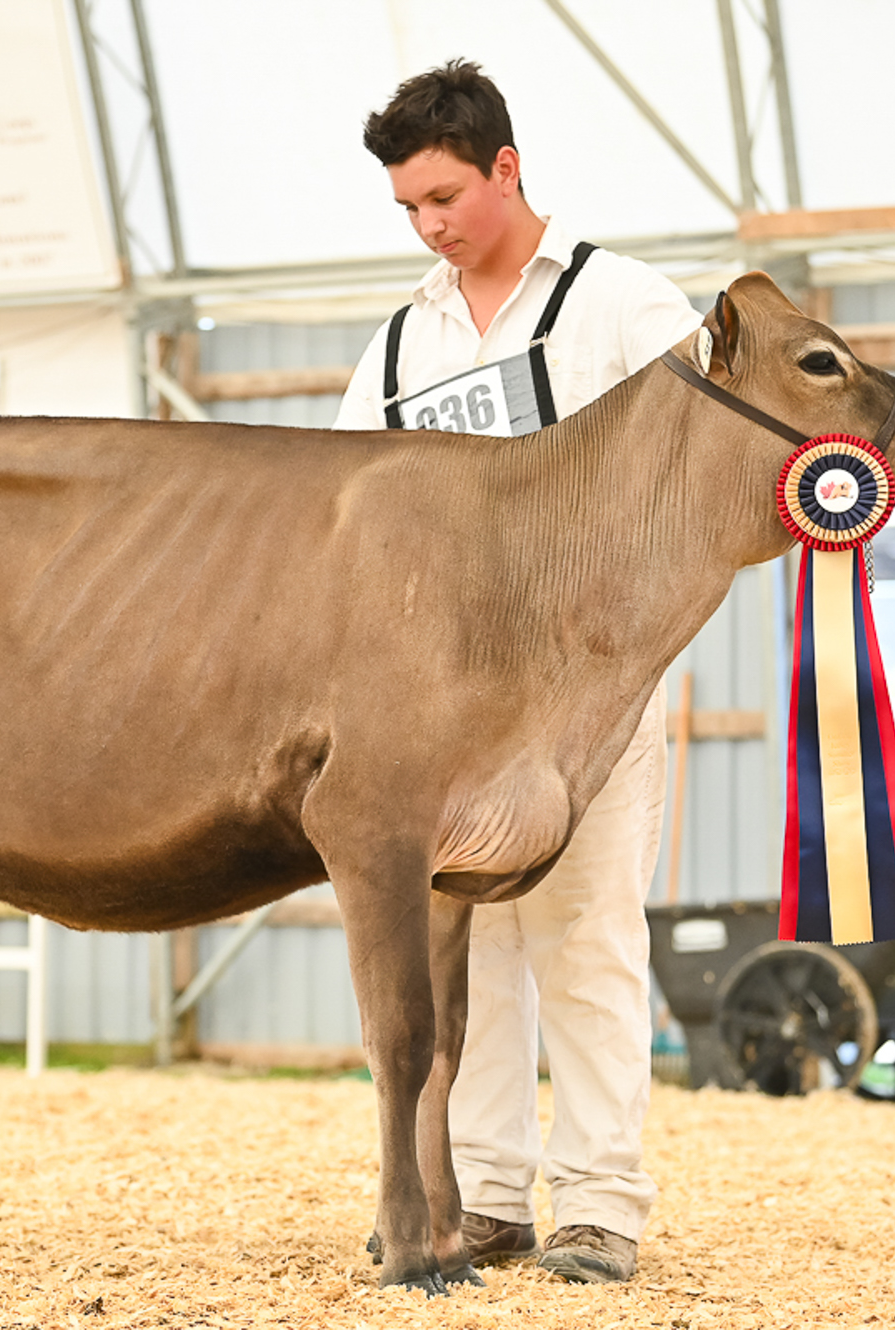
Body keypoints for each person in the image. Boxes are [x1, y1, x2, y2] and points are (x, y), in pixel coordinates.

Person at [333, 60, 700, 1285]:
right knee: (464, 957)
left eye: (442, 197)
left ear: (506, 168)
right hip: (443, 709)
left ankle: (598, 1203)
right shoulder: (400, 340)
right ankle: (484, 1193)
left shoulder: (623, 304)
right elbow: (338, 503)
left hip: (587, 694)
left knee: (585, 939)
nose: (427, 226)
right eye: (407, 208)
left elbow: (701, 463)